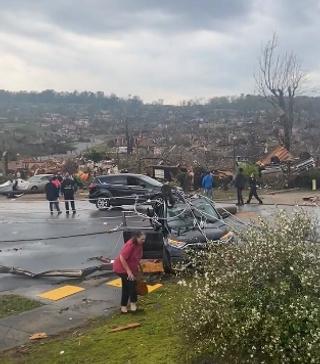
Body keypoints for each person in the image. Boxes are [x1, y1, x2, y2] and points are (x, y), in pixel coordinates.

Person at [113, 232, 146, 314]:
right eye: (142, 239)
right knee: (132, 286)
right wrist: (129, 272)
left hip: (130, 268)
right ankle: (133, 307)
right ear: (137, 238)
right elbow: (122, 257)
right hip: (121, 268)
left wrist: (137, 268)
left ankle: (123, 308)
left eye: (144, 239)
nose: (144, 241)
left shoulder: (139, 244)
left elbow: (137, 257)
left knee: (126, 287)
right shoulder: (130, 245)